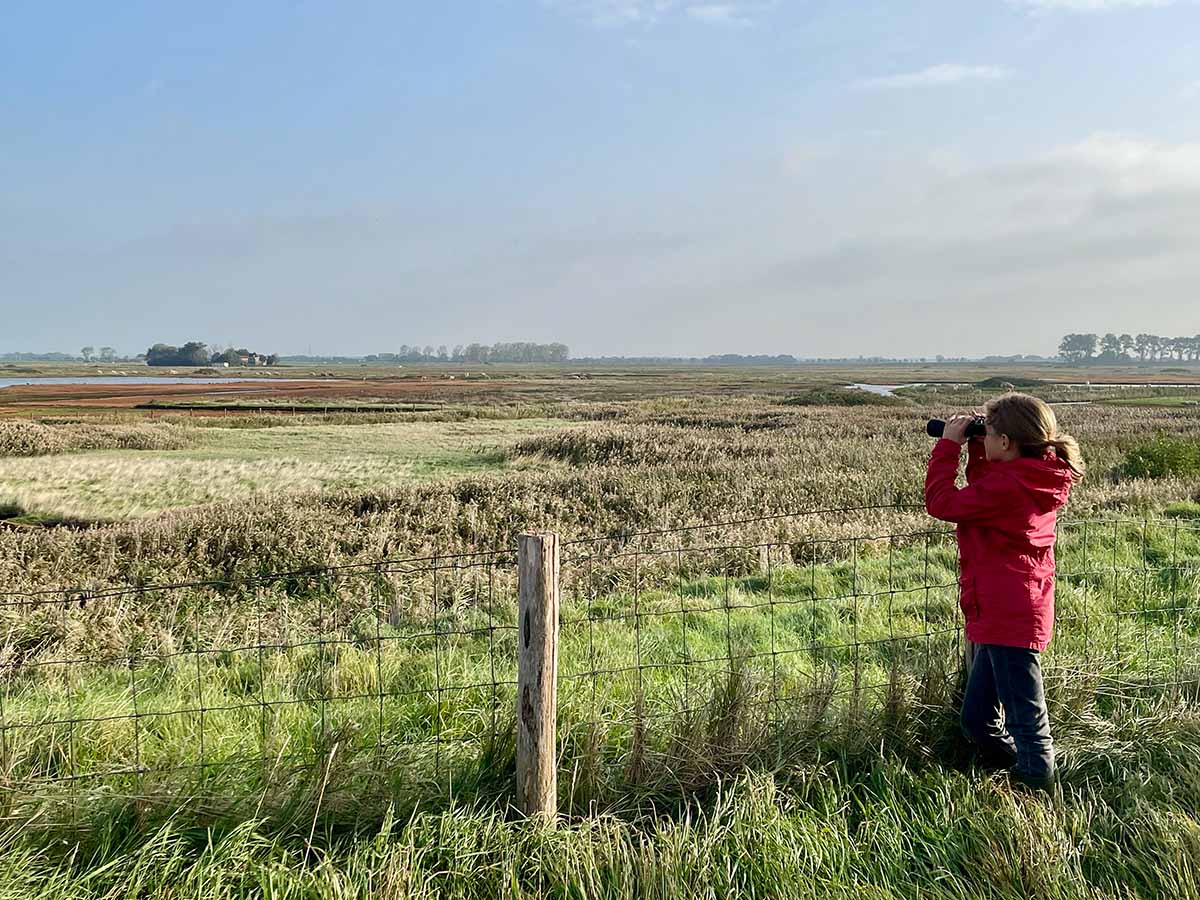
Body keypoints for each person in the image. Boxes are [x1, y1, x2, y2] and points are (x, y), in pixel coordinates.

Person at [924, 392, 1085, 791]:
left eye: (989, 432)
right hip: (1006, 608)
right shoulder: (1031, 475)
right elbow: (987, 489)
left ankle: (1035, 793)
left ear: (1007, 443)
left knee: (1027, 723)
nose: (984, 435)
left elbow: (942, 503)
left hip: (1008, 615)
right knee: (977, 720)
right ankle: (1012, 774)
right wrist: (979, 448)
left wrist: (949, 447)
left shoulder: (1011, 487)